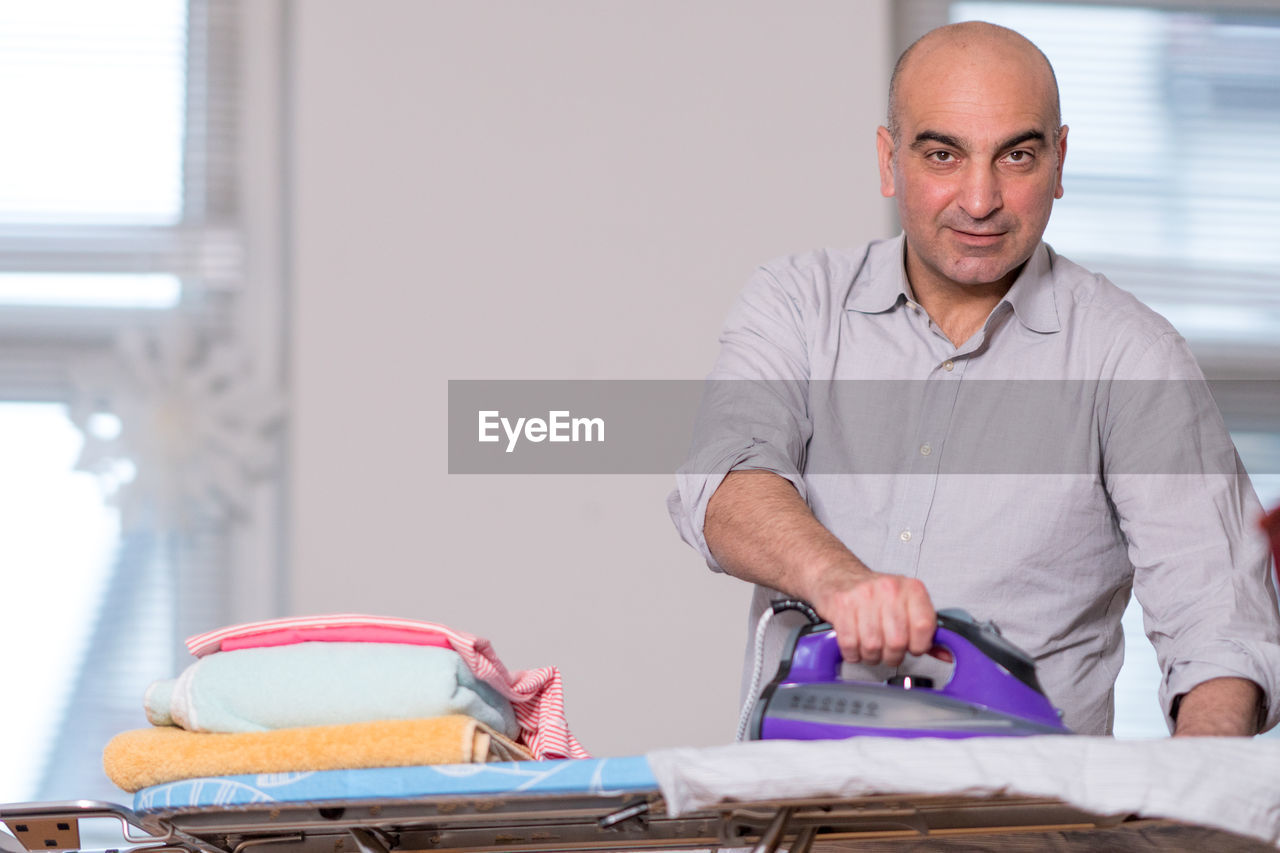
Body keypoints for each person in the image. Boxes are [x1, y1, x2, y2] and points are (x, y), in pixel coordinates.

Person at [668, 21, 1280, 737]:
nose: (981, 198)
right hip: (806, 822)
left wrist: (1185, 818)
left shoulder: (1133, 359)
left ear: (1059, 161)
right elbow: (726, 480)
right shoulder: (796, 305)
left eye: (1016, 156)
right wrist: (842, 583)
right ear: (889, 160)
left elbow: (1221, 630)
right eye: (943, 154)